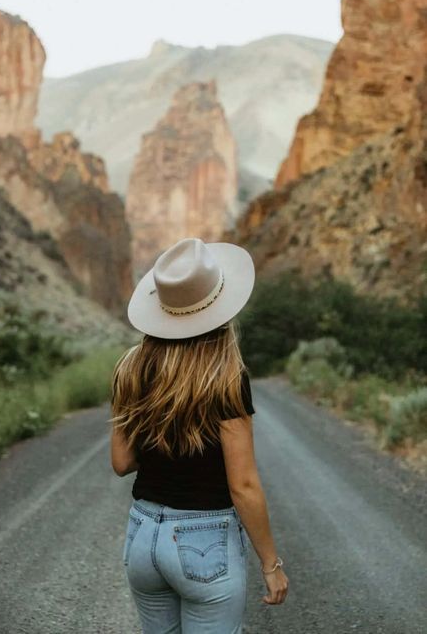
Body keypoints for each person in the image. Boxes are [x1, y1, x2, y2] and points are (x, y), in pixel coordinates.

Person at [110, 237, 289, 633]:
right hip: (203, 542)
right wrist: (270, 564)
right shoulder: (225, 377)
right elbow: (242, 484)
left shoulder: (130, 369)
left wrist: (162, 442)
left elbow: (122, 463)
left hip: (142, 537)